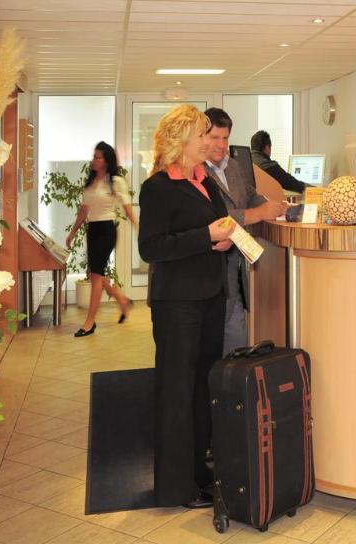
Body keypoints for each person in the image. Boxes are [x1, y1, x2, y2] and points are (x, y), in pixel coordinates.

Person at [138, 104, 235, 509]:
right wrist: (206, 236)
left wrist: (223, 240)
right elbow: (151, 248)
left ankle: (199, 473)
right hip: (178, 304)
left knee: (201, 389)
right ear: (181, 140)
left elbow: (216, 227)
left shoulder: (205, 180)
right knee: (177, 391)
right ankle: (176, 486)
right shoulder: (158, 187)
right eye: (200, 135)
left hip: (211, 297)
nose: (207, 142)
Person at [204, 108, 287, 356]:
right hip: (210, 266)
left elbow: (249, 194)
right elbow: (218, 216)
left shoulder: (233, 165)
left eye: (225, 138)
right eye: (215, 138)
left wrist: (273, 207)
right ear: (201, 137)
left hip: (234, 264)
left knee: (235, 330)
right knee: (216, 332)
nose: (221, 145)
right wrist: (259, 213)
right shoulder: (196, 172)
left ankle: (231, 374)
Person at [66, 141, 137, 337]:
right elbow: (84, 210)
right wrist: (73, 232)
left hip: (107, 230)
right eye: (94, 156)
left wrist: (138, 227)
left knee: (96, 275)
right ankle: (122, 300)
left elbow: (127, 208)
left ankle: (89, 322)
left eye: (98, 157)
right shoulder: (91, 181)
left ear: (106, 160)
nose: (94, 160)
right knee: (96, 274)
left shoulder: (116, 181)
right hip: (93, 229)